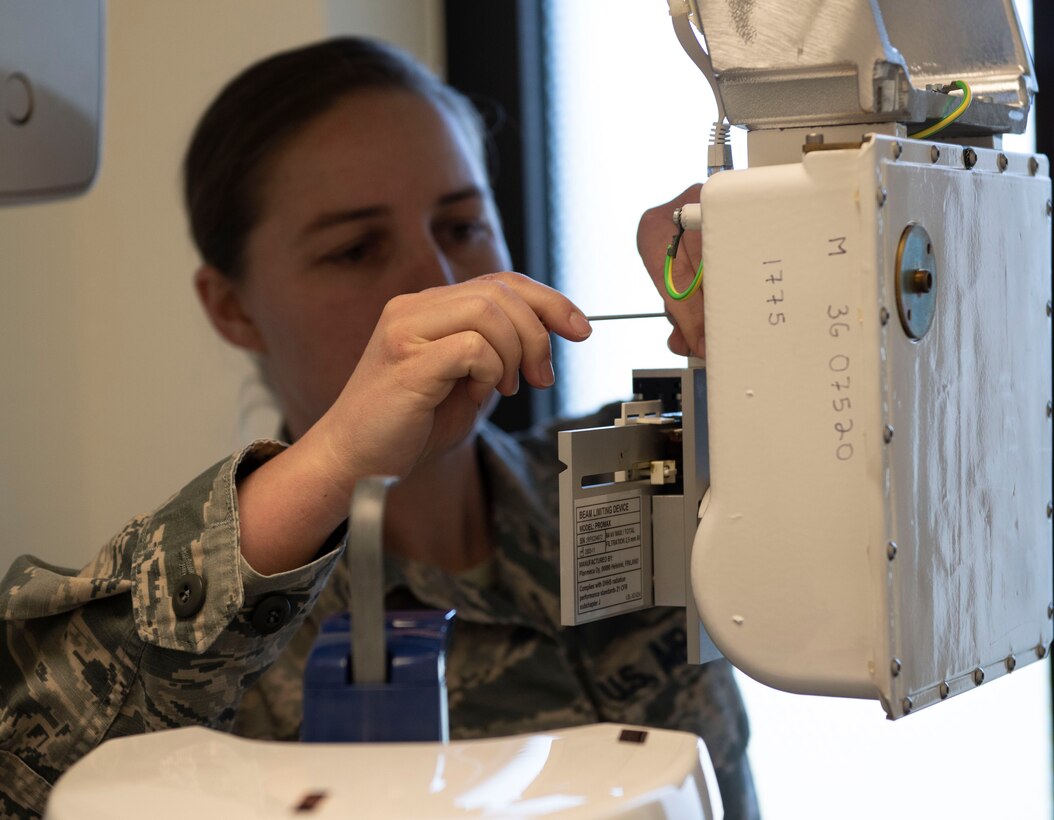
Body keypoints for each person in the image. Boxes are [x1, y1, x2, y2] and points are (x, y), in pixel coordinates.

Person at [0, 38, 756, 818]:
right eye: (357, 249)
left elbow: (867, 483)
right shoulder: (207, 665)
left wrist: (775, 277)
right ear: (230, 307)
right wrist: (332, 461)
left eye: (463, 225)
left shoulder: (637, 479)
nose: (438, 279)